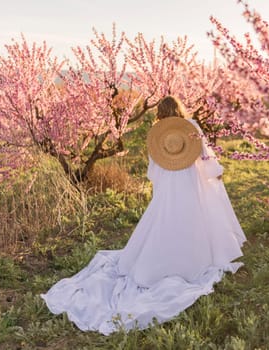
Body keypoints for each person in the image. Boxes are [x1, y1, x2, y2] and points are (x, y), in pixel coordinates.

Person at [41, 95, 246, 335]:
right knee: (190, 219)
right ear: (180, 109)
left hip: (170, 183)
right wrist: (214, 173)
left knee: (165, 220)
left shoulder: (158, 134)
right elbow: (206, 157)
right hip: (190, 182)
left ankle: (164, 258)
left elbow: (154, 171)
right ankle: (193, 259)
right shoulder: (192, 127)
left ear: (158, 112)